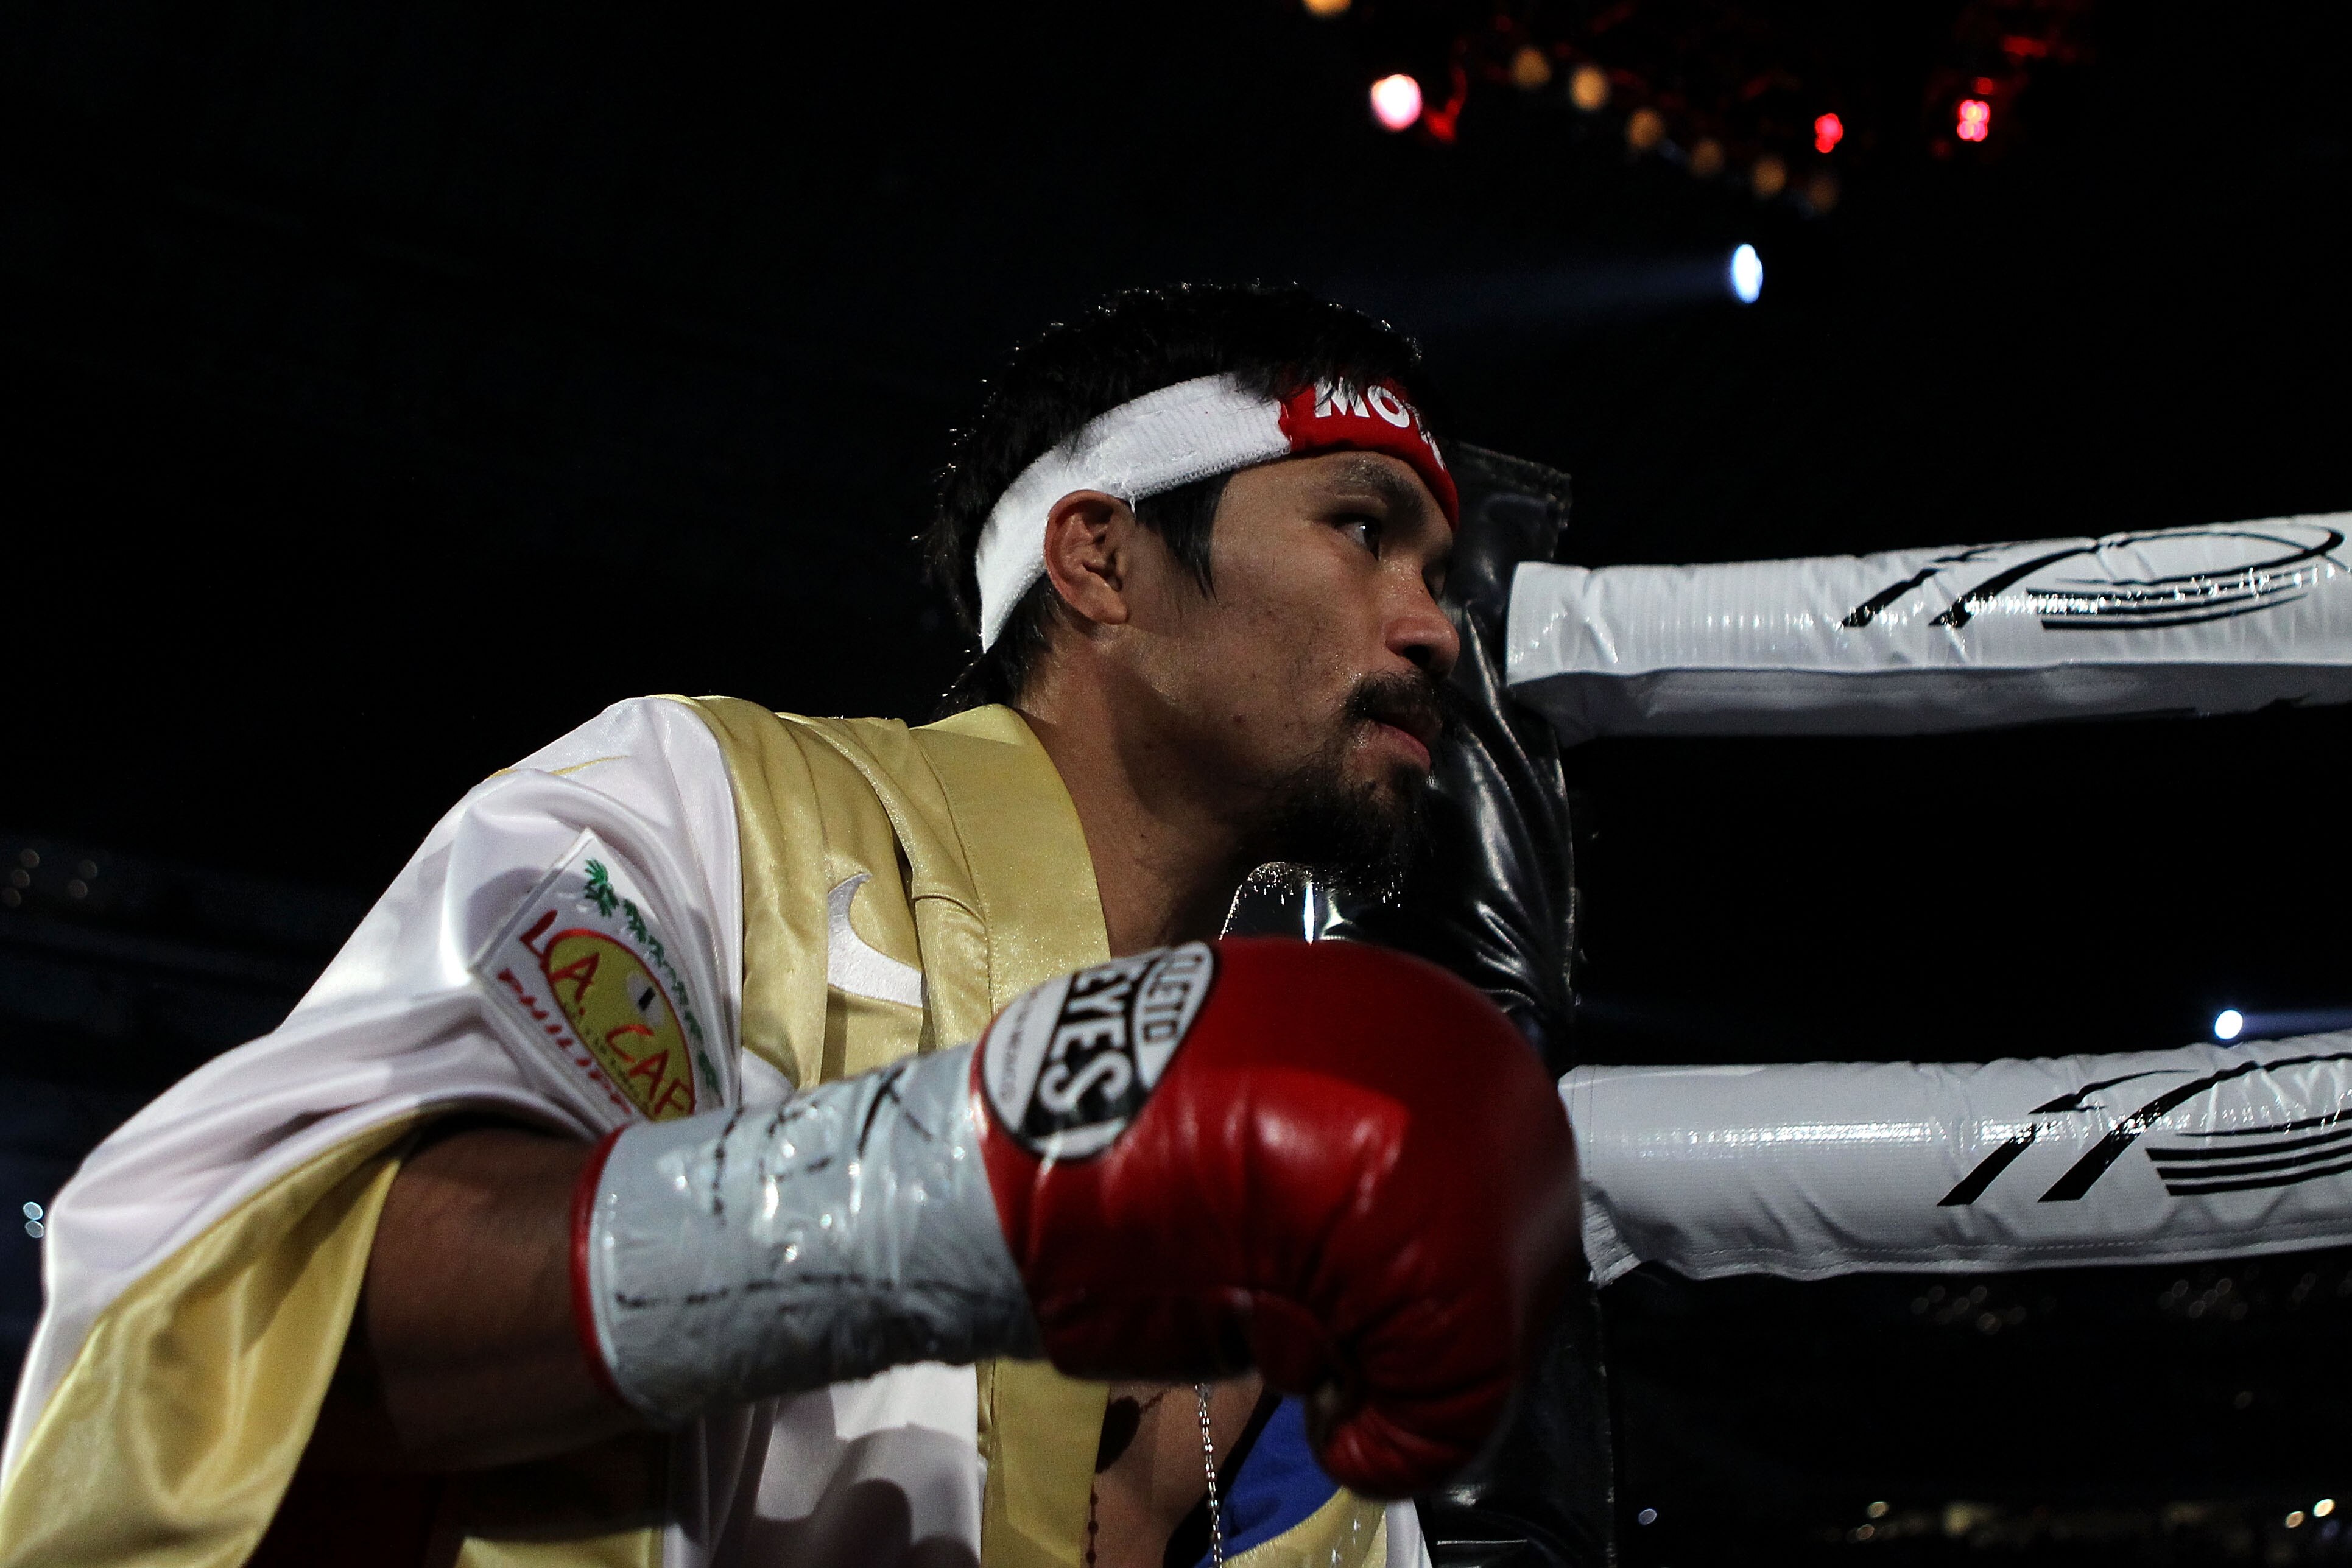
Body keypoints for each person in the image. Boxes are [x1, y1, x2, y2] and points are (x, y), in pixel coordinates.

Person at [0, 284, 1579, 1568]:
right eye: (1362, 527)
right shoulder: (715, 806)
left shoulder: (1307, 1152)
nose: (1437, 626)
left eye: (1440, 567)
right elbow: (261, 1318)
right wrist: (975, 1189)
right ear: (1099, 558)